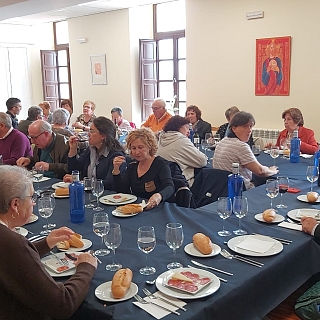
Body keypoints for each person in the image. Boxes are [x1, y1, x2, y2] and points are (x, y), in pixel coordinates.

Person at [0, 165, 97, 320]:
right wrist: (86, 267)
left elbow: (13, 263)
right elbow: (63, 304)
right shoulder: (11, 242)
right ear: (15, 205)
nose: (34, 203)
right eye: (31, 197)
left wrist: (45, 243)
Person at [112, 128, 174, 210]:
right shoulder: (132, 166)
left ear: (150, 146)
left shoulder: (161, 164)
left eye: (140, 147)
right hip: (139, 208)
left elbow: (170, 187)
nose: (137, 152)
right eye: (133, 148)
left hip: (159, 208)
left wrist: (159, 196)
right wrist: (116, 170)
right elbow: (122, 190)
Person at [213, 111, 278, 189]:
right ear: (234, 128)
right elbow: (260, 171)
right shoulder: (241, 146)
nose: (249, 130)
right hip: (241, 189)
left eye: (251, 126)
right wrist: (272, 171)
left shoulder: (222, 141)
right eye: (245, 126)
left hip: (220, 187)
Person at [65, 116, 125, 190]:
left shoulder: (115, 155)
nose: (88, 134)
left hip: (105, 196)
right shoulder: (91, 149)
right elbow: (74, 170)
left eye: (92, 131)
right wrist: (73, 149)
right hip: (89, 193)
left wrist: (81, 183)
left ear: (102, 136)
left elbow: (109, 183)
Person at [157, 115, 207, 187]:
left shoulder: (162, 137)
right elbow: (202, 161)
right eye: (187, 127)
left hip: (162, 182)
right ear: (178, 127)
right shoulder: (181, 140)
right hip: (181, 184)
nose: (188, 131)